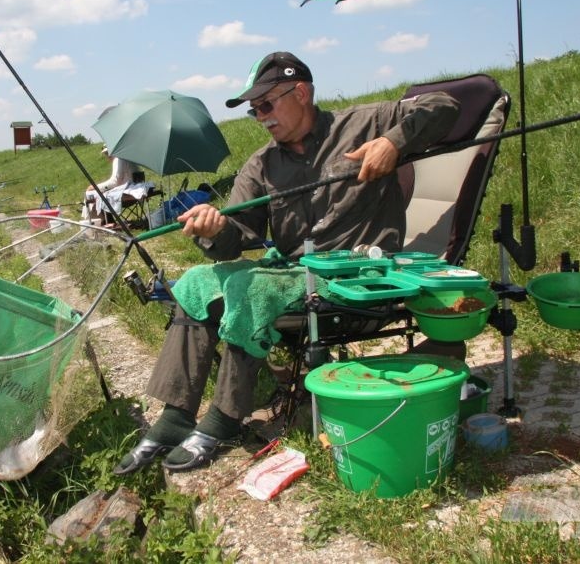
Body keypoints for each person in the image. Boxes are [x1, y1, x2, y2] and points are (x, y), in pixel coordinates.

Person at [115, 51, 461, 475]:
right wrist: (212, 230)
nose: (260, 116)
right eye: (253, 109)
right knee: (197, 281)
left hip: (360, 278)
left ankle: (225, 417)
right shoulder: (260, 165)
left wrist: (394, 142)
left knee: (253, 288)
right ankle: (175, 416)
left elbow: (445, 106)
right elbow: (235, 238)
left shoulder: (366, 122)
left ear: (301, 92)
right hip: (295, 276)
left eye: (266, 104)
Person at [82, 147, 140, 221]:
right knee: (103, 194)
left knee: (95, 195)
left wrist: (95, 187)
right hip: (133, 188)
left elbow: (114, 182)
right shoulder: (127, 157)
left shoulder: (118, 159)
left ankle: (102, 221)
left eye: (106, 154)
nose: (107, 157)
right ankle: (104, 220)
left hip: (128, 193)